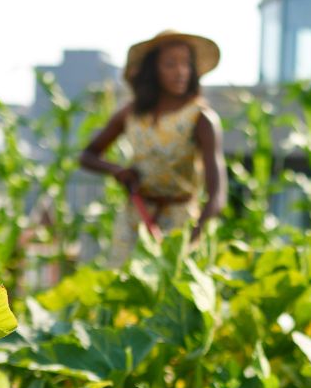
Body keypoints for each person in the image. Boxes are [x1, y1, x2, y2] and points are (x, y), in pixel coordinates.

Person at [78, 30, 227, 262]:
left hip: (180, 223)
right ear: (152, 70)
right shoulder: (131, 114)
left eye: (186, 64)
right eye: (170, 64)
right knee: (123, 288)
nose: (180, 72)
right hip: (135, 217)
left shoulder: (201, 118)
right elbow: (87, 155)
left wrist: (195, 233)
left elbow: (217, 194)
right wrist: (118, 171)